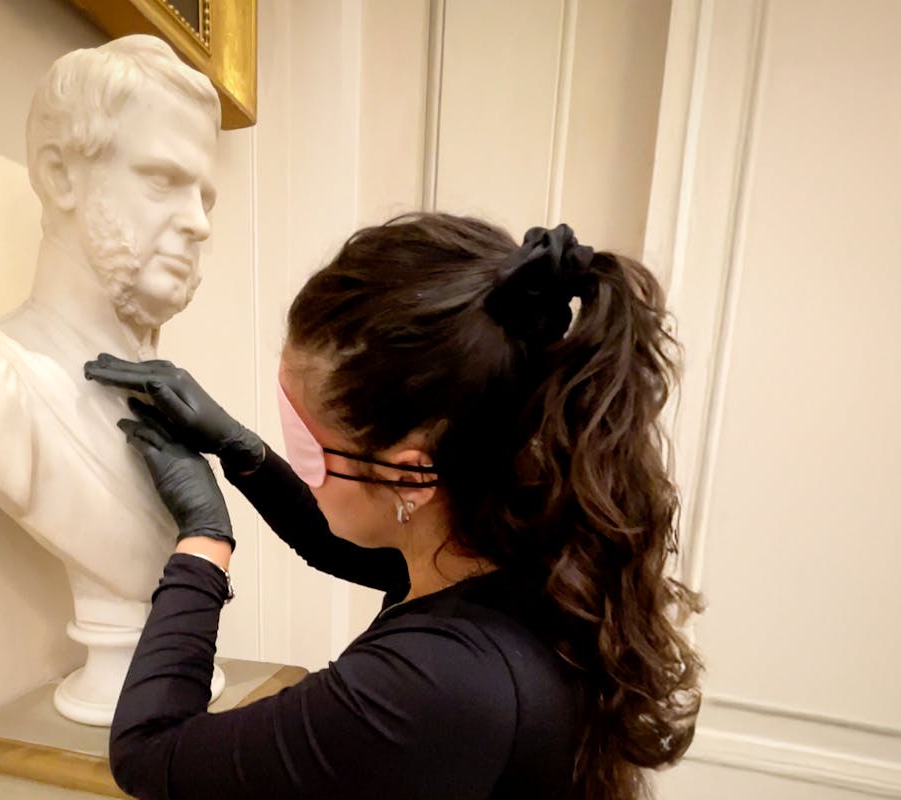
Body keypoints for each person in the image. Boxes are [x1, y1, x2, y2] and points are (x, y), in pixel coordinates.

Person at [84, 213, 704, 799]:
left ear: (410, 478)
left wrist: (204, 539)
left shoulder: (432, 687)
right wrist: (243, 451)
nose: (305, 467)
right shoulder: (523, 545)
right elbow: (339, 542)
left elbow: (148, 752)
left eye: (311, 447)